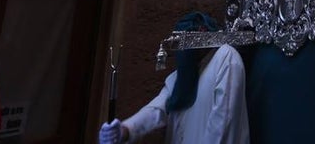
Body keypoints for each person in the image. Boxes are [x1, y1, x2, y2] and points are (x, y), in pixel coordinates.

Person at [98, 12, 249, 144]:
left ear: (202, 32)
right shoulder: (184, 75)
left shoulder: (225, 57)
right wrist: (124, 130)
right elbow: (157, 109)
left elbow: (223, 122)